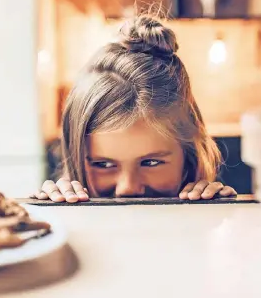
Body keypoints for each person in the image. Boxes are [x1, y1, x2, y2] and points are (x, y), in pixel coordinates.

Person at [32, 14, 237, 203]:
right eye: (103, 165)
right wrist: (59, 213)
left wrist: (214, 212)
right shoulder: (61, 222)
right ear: (75, 154)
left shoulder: (208, 214)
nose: (127, 189)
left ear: (189, 158)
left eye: (151, 163)